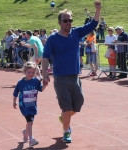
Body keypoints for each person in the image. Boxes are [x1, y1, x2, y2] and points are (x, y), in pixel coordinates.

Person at [42, 1, 101, 143]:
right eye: (65, 20)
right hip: (60, 78)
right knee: (66, 106)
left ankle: (64, 118)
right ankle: (66, 131)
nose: (68, 22)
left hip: (75, 76)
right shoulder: (53, 39)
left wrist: (98, 10)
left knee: (78, 104)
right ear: (59, 22)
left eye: (70, 20)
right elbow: (45, 57)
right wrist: (44, 74)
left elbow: (93, 25)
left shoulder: (76, 32)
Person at [13, 62, 46, 147]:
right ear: (25, 72)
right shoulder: (20, 82)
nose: (31, 74)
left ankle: (25, 131)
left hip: (32, 105)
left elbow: (41, 89)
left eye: (33, 72)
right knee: (30, 121)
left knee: (30, 122)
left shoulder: (36, 81)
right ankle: (31, 139)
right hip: (24, 105)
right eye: (29, 72)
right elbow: (15, 93)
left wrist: (45, 85)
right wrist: (14, 102)